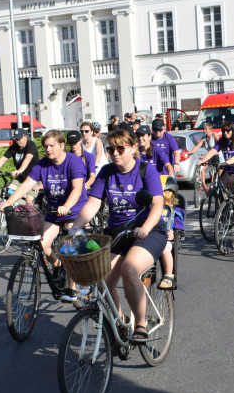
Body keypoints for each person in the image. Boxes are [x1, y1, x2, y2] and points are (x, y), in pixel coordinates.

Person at [70, 129, 166, 345]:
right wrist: (75, 228)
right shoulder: (106, 172)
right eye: (110, 149)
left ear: (133, 148)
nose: (114, 153)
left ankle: (140, 323)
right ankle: (120, 320)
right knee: (101, 281)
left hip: (147, 232)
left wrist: (145, 228)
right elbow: (94, 203)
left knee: (129, 269)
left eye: (120, 148)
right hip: (118, 233)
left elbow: (157, 204)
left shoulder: (145, 170)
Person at [0, 130, 88, 302]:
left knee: (69, 245)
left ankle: (72, 289)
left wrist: (67, 206)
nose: (47, 149)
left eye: (51, 146)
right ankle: (59, 265)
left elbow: (77, 189)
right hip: (54, 212)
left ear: (62, 145)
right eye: (45, 146)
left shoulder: (74, 162)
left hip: (73, 211)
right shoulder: (41, 165)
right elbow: (26, 186)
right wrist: (9, 202)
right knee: (41, 242)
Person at [198, 121, 234, 192]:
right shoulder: (222, 141)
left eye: (228, 131)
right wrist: (202, 161)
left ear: (232, 131)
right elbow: (213, 151)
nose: (225, 133)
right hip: (228, 168)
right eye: (223, 131)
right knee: (221, 188)